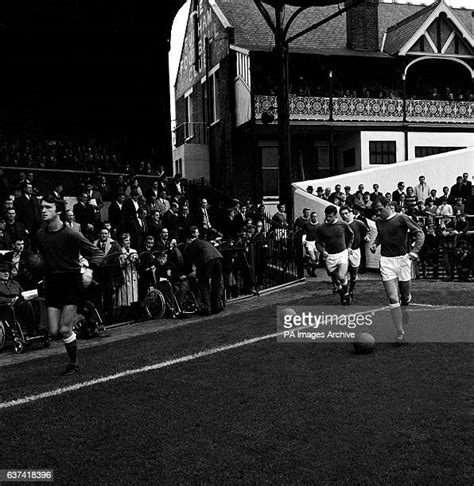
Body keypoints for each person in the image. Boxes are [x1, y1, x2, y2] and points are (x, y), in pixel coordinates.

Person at [36, 193, 104, 375]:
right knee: (53, 331)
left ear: (58, 211)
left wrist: (89, 271)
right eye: (42, 207)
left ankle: (73, 363)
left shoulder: (71, 233)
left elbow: (97, 252)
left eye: (48, 207)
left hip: (70, 282)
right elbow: (41, 257)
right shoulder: (40, 234)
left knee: (65, 329)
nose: (43, 211)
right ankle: (82, 316)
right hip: (52, 283)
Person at [370, 196, 425, 344]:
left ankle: (405, 305)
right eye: (376, 211)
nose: (379, 213)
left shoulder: (402, 218)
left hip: (403, 260)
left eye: (381, 209)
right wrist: (375, 244)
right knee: (393, 298)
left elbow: (419, 233)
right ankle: (400, 332)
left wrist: (415, 251)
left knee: (405, 296)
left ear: (388, 205)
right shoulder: (378, 222)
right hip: (387, 262)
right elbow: (381, 235)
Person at [315, 206, 354, 305]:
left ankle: (346, 294)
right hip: (329, 257)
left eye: (330, 216)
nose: (328, 218)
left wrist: (349, 247)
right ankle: (342, 295)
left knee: (341, 276)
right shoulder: (321, 228)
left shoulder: (343, 224)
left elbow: (351, 235)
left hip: (342, 254)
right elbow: (317, 243)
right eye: (327, 216)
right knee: (336, 281)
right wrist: (322, 251)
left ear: (335, 215)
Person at [184, 226, 224, 316]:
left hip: (207, 260)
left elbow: (189, 261)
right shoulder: (202, 242)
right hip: (218, 257)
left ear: (188, 239)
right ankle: (216, 306)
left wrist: (187, 272)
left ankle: (207, 307)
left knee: (203, 283)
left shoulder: (191, 245)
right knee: (216, 283)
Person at [339, 206, 369, 301]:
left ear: (350, 213)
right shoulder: (340, 225)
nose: (344, 216)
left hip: (355, 251)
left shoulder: (358, 223)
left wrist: (367, 237)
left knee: (353, 274)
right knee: (342, 274)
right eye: (342, 214)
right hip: (343, 252)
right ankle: (345, 293)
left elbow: (367, 231)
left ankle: (351, 290)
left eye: (346, 213)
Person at [303, 211, 319, 277]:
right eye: (313, 217)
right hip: (309, 242)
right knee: (313, 258)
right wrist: (304, 240)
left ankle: (312, 270)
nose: (315, 218)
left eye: (316, 216)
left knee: (317, 260)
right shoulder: (307, 224)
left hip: (316, 243)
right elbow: (304, 232)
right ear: (311, 217)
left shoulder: (319, 225)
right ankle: (308, 267)